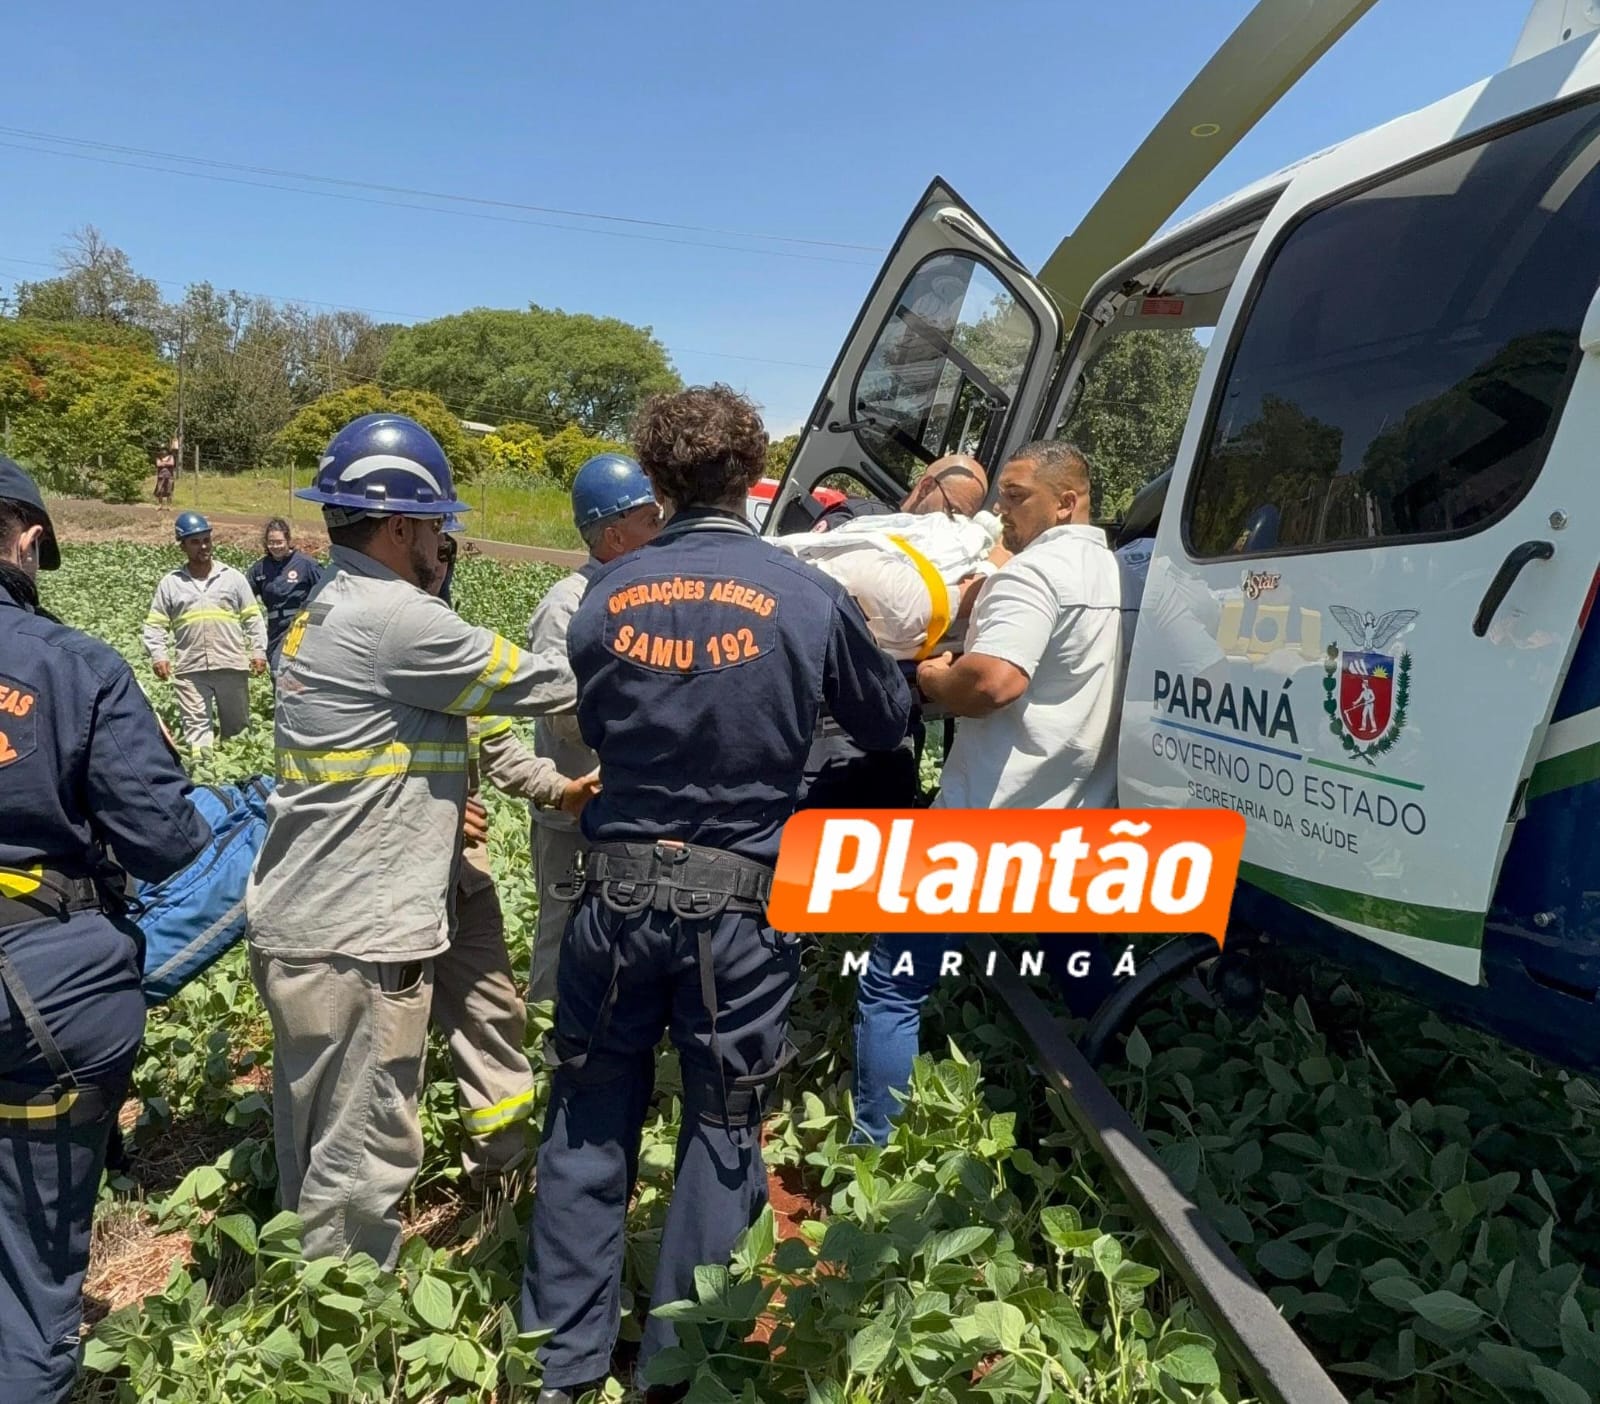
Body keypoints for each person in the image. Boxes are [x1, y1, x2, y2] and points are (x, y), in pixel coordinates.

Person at [519, 384, 912, 1403]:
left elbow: (600, 722)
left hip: (613, 895)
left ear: (654, 480)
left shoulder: (605, 594)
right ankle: (679, 1370)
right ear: (750, 473)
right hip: (738, 907)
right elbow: (880, 723)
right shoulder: (804, 593)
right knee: (723, 1123)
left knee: (590, 1110)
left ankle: (557, 1364)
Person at [244, 412, 580, 1270]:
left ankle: (309, 1307)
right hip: (357, 930)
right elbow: (551, 682)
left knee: (319, 1145)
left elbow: (444, 735)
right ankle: (338, 1337)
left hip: (317, 918)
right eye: (436, 524)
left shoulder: (329, 606)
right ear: (398, 524)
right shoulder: (398, 619)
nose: (444, 542)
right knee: (360, 1159)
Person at [0, 457, 212, 1403]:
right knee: (31, 1274)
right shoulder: (74, 668)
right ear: (28, 537)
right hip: (39, 994)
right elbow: (166, 843)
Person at [850, 440, 1135, 1144]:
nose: (998, 513)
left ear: (1066, 501)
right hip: (1080, 818)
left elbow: (993, 682)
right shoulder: (1124, 573)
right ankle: (1126, 1104)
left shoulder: (1034, 575)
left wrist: (931, 677)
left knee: (891, 982)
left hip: (985, 823)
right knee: (1084, 971)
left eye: (1015, 496)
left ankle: (875, 1149)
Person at [427, 528, 599, 1190]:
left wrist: (563, 787)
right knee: (391, 1036)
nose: (443, 566)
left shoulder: (452, 639)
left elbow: (497, 745)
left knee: (493, 1010)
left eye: (450, 553)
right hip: (384, 875)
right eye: (435, 550)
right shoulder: (359, 637)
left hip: (461, 873)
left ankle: (503, 1171)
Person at [522, 453, 662, 1011]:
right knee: (562, 935)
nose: (661, 529)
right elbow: (560, 712)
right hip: (572, 811)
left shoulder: (651, 595)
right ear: (614, 534)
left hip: (631, 809)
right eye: (649, 520)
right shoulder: (566, 605)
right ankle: (545, 1041)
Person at [142, 512, 268, 748]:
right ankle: (204, 777)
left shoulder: (232, 578)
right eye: (195, 541)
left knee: (237, 731)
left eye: (206, 540)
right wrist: (158, 655)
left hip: (231, 665)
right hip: (191, 669)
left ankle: (239, 780)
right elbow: (155, 624)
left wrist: (258, 652)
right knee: (196, 732)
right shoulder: (171, 583)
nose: (203, 546)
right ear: (182, 546)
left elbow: (253, 618)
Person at [247, 517, 323, 672]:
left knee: (291, 670)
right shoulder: (259, 569)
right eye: (271, 542)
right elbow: (244, 597)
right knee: (276, 671)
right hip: (275, 628)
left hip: (300, 626)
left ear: (288, 540)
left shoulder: (306, 564)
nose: (275, 546)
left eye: (279, 542)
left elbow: (326, 593)